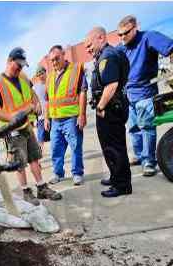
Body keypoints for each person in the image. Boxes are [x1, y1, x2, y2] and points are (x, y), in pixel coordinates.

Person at [0, 47, 62, 203]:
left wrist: (37, 104)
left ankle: (42, 188)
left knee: (34, 158)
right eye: (18, 65)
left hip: (27, 126)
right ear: (9, 61)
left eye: (22, 66)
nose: (20, 69)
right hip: (13, 131)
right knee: (20, 163)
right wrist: (11, 118)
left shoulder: (23, 77)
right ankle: (26, 192)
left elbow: (32, 93)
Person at [117, 14, 173, 177]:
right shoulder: (121, 47)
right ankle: (140, 155)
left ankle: (149, 161)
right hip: (129, 94)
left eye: (125, 33)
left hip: (145, 92)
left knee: (146, 127)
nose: (122, 37)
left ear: (136, 28)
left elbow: (170, 48)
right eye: (119, 34)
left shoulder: (148, 37)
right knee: (133, 128)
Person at [85, 26, 132, 198]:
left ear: (101, 38)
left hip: (110, 109)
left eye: (90, 45)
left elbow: (111, 85)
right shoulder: (106, 55)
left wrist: (100, 107)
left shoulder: (108, 56)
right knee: (110, 147)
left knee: (115, 147)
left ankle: (122, 185)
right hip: (110, 108)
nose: (88, 50)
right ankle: (115, 177)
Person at [45, 45, 88, 187]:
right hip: (55, 120)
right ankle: (58, 173)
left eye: (57, 58)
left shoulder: (75, 70)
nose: (54, 62)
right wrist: (46, 118)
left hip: (71, 118)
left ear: (64, 55)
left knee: (75, 146)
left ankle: (77, 173)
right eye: (52, 60)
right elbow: (47, 100)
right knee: (55, 149)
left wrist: (82, 114)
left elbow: (82, 92)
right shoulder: (50, 77)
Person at [32, 67, 49, 151]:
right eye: (38, 75)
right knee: (40, 138)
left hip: (53, 115)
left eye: (42, 73)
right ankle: (39, 155)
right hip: (41, 117)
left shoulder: (51, 83)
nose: (40, 76)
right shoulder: (35, 88)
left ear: (45, 72)